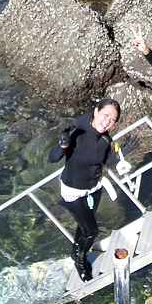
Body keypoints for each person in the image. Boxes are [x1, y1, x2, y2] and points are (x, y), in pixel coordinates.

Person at [48, 98, 129, 283]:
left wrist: (121, 153)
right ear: (95, 111)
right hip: (73, 191)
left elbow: (105, 161)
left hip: (94, 188)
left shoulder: (106, 138)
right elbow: (52, 158)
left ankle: (75, 250)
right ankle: (80, 260)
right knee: (91, 231)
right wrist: (62, 145)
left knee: (84, 226)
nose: (107, 121)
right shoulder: (77, 133)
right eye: (105, 115)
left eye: (113, 119)